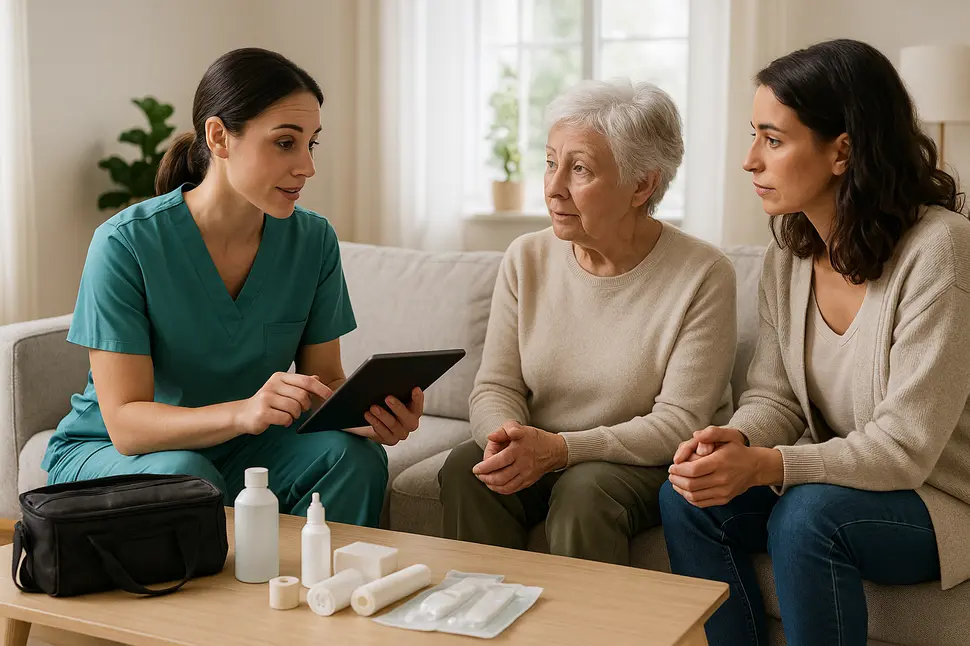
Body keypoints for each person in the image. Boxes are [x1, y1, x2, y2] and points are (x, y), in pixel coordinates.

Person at [659, 38, 970, 645]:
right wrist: (739, 439)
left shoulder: (941, 250)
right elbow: (774, 396)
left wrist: (772, 464)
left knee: (807, 516)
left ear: (842, 152)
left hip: (939, 501)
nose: (750, 159)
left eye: (773, 139)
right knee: (687, 497)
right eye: (754, 134)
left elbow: (904, 449)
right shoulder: (792, 251)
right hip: (845, 484)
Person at [41, 48, 424, 526]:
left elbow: (324, 379)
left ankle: (317, 596)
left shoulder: (313, 240)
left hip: (241, 446)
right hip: (115, 453)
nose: (307, 167)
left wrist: (368, 416)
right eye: (285, 143)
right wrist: (244, 412)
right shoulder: (126, 244)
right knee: (187, 477)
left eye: (312, 144)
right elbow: (126, 426)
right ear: (219, 137)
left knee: (352, 458)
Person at [438, 79, 738, 565]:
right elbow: (495, 384)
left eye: (579, 169)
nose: (554, 188)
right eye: (551, 163)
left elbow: (681, 422)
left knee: (585, 488)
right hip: (544, 447)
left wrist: (560, 449)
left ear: (642, 185)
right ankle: (483, 627)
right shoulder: (526, 257)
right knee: (466, 466)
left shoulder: (703, 273)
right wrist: (506, 437)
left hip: (638, 462)